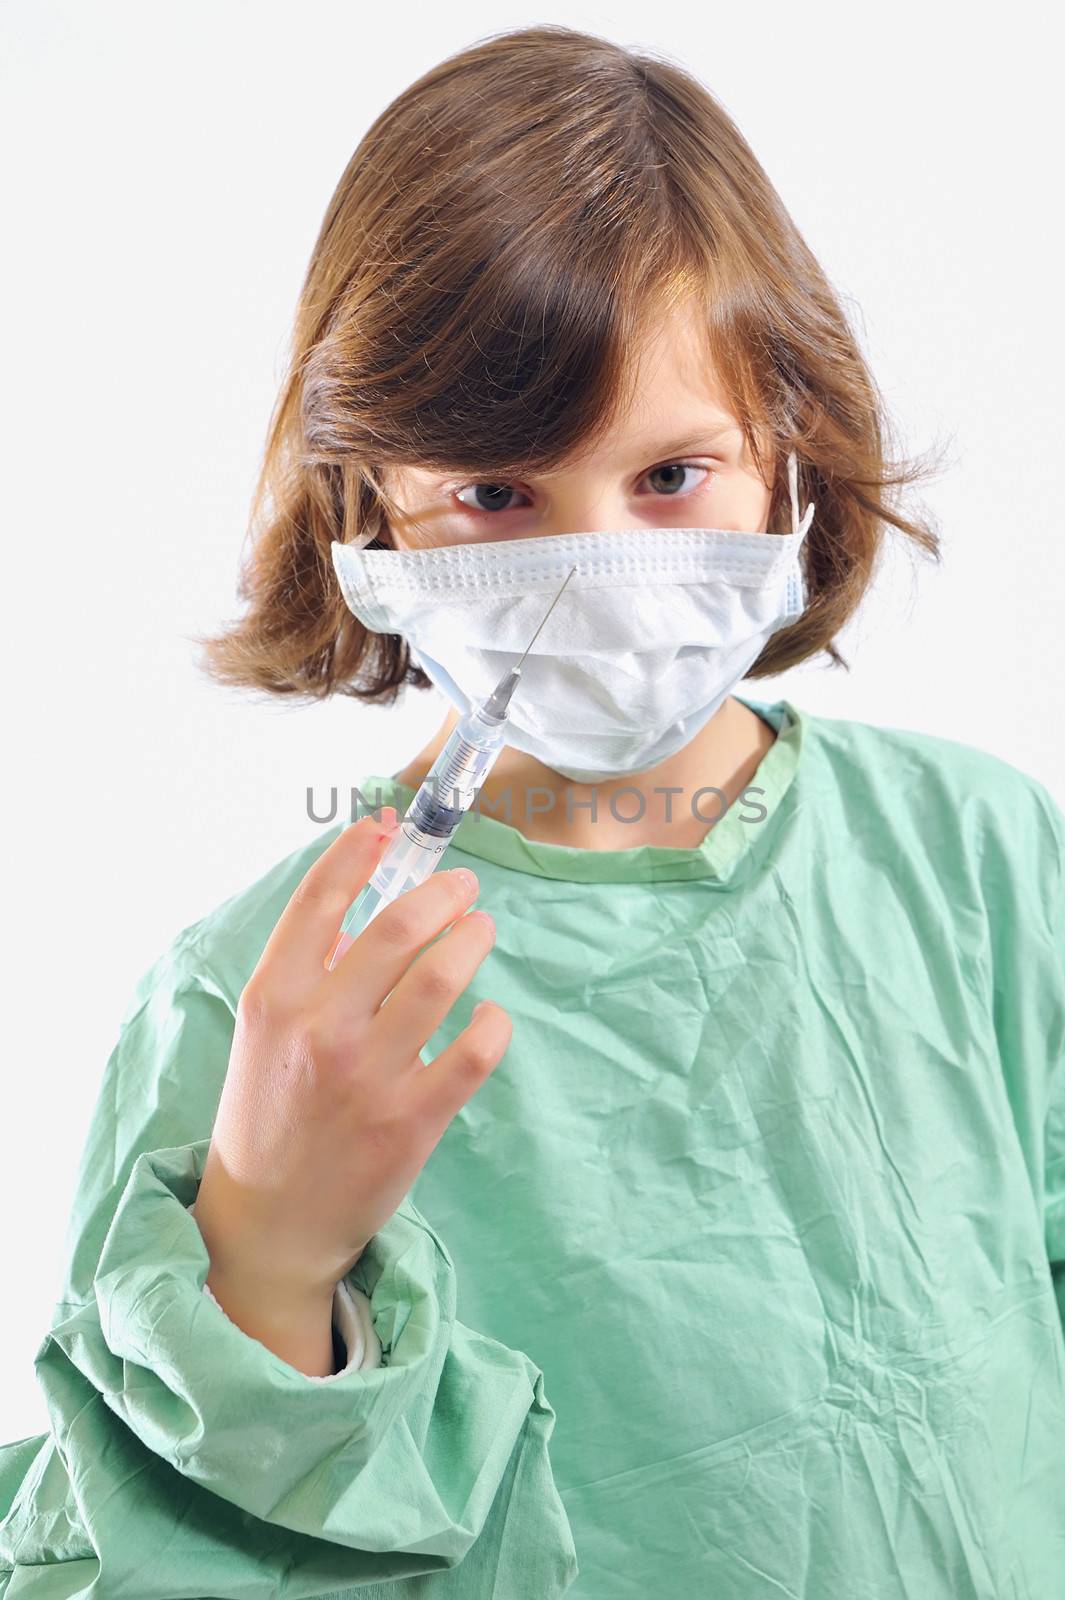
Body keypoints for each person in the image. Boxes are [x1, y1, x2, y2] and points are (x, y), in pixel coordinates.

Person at [3, 23, 1063, 1600]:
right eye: (498, 494)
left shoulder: (976, 862)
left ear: (787, 446)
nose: (594, 566)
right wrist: (264, 1267)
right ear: (370, 507)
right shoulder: (274, 998)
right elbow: (154, 1561)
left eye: (669, 477)